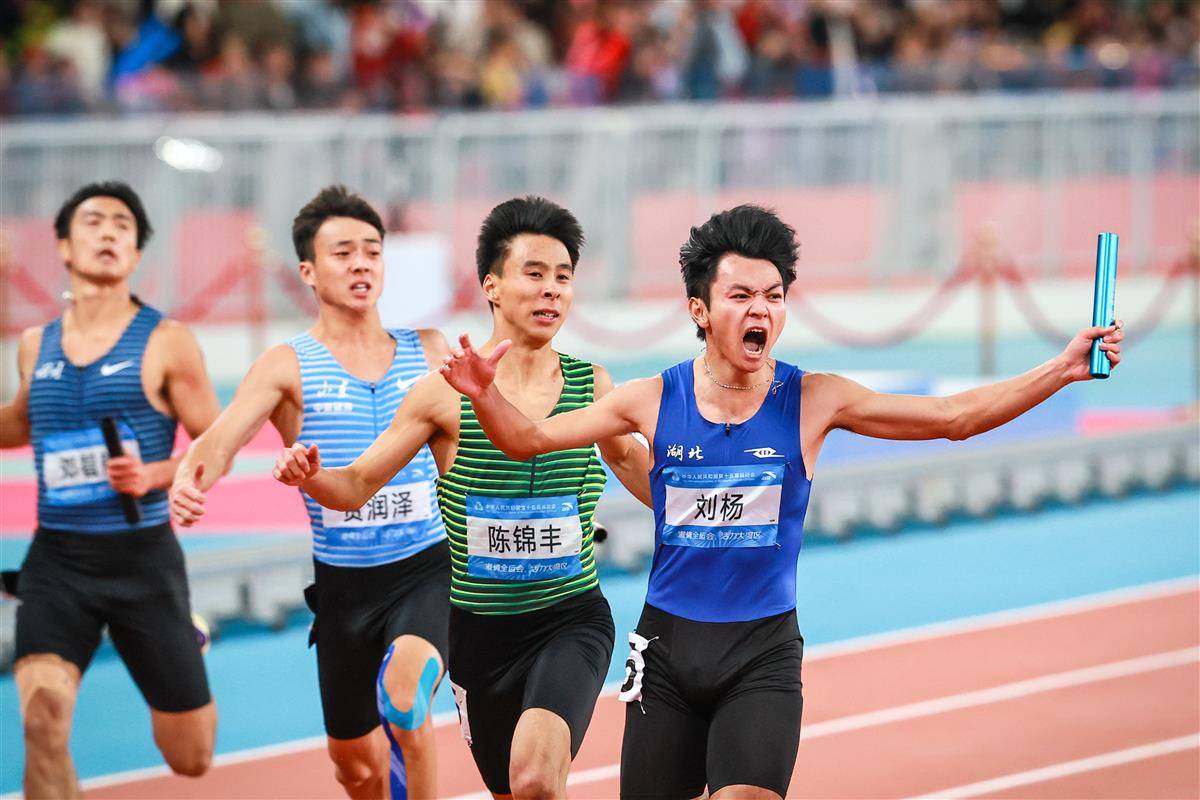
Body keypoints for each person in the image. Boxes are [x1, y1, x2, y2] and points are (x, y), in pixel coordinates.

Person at [436, 204, 1126, 800]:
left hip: (761, 656)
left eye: (773, 295)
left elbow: (953, 418)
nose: (760, 309)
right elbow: (527, 440)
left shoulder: (815, 399)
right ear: (700, 310)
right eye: (740, 295)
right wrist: (483, 393)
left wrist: (1061, 368)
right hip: (665, 656)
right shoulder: (650, 399)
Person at [271, 195, 652, 799]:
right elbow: (355, 487)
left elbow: (639, 470)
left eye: (563, 277)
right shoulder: (441, 396)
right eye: (534, 273)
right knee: (511, 792)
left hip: (570, 619)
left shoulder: (593, 386)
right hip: (478, 636)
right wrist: (309, 475)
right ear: (491, 286)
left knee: (536, 781)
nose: (551, 290)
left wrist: (708, 509)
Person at [169, 185, 450, 799]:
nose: (361, 264)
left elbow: (481, 445)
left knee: (405, 700)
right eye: (343, 253)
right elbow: (221, 440)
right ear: (308, 271)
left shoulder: (429, 351)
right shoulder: (287, 365)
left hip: (427, 571)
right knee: (357, 768)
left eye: (372, 251)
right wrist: (190, 479)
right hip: (344, 589)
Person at [0, 181, 221, 798]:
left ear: (136, 253)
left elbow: (217, 442)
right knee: (42, 721)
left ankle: (184, 635)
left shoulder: (167, 340)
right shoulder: (34, 346)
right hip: (57, 564)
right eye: (93, 221)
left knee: (191, 756)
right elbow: (18, 425)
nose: (108, 232)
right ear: (64, 247)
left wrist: (153, 474)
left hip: (143, 562)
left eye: (123, 225)